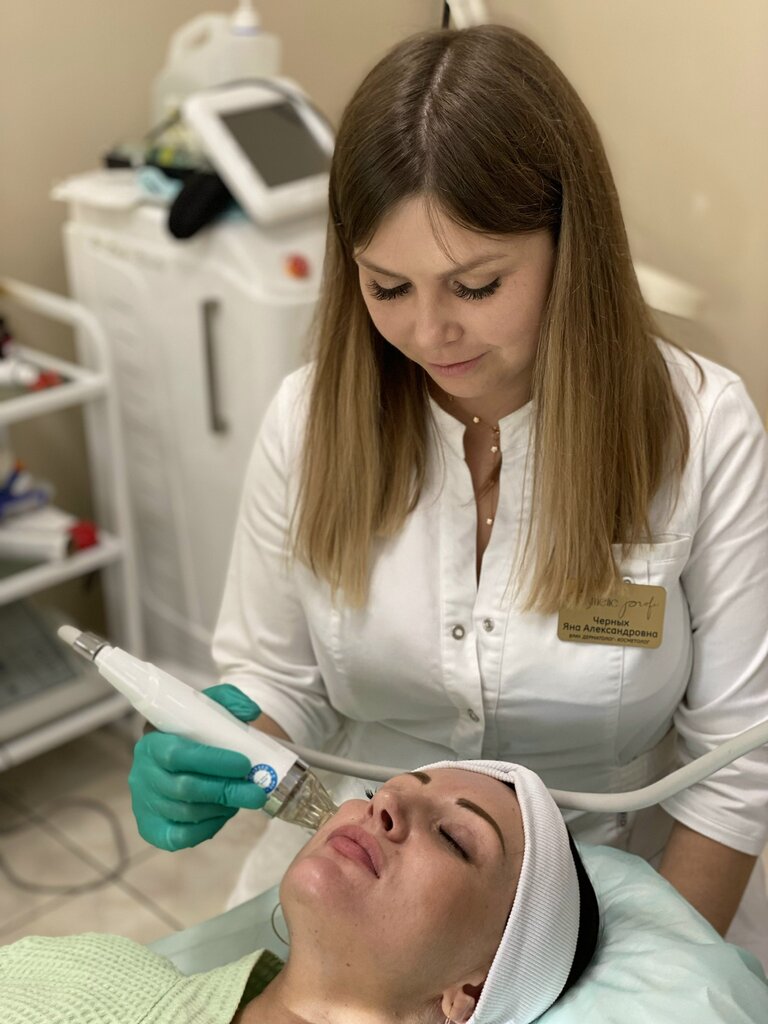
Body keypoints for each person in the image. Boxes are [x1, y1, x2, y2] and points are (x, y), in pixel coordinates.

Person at [128, 22, 768, 948]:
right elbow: (283, 679)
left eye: (475, 286)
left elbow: (736, 766)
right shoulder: (309, 422)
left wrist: (649, 977)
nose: (430, 334)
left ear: (570, 247)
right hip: (369, 883)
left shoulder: (703, 431)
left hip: (626, 891)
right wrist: (223, 741)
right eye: (388, 289)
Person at [0, 763, 600, 1024]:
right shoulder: (91, 971)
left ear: (472, 991)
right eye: (377, 788)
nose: (385, 803)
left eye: (453, 838)